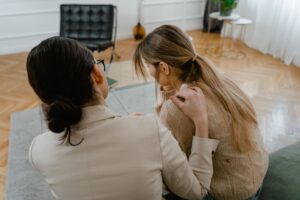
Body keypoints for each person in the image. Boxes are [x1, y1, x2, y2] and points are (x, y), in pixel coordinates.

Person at [26, 36, 219, 200]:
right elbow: (197, 191)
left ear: (43, 97)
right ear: (97, 74)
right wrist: (201, 121)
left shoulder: (38, 151)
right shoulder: (150, 129)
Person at [133, 25, 269, 200]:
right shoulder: (219, 81)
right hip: (255, 177)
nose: (148, 71)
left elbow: (178, 172)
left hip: (232, 194)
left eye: (147, 65)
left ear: (164, 68)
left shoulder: (176, 108)